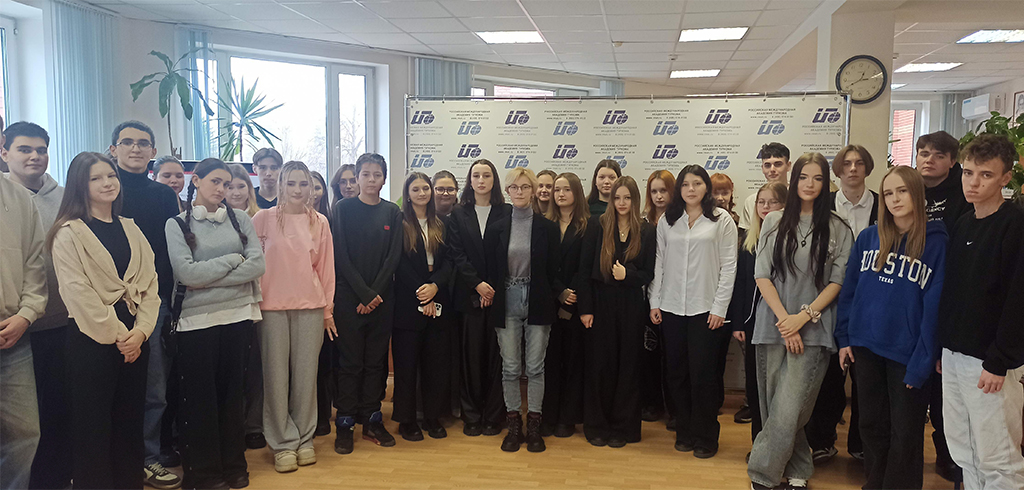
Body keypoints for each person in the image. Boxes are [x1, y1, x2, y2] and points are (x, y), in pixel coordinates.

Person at [49, 152, 160, 489]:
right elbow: (77, 293)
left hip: (136, 339)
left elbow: (150, 285)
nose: (107, 183)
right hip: (92, 340)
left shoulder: (131, 228)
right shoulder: (68, 233)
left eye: (111, 176)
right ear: (79, 185)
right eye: (96, 178)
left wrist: (141, 332)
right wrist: (120, 335)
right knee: (93, 428)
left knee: (129, 423)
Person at [835, 165, 946, 490]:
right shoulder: (869, 238)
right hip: (866, 347)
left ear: (918, 194)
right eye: (888, 193)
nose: (895, 199)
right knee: (871, 425)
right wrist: (845, 338)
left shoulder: (937, 243)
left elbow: (935, 309)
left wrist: (923, 361)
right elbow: (850, 291)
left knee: (906, 432)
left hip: (907, 353)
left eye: (902, 191)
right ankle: (875, 483)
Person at [747, 152, 853, 490]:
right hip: (773, 324)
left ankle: (762, 473)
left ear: (826, 183)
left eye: (818, 178)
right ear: (793, 181)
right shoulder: (774, 221)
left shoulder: (839, 227)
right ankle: (799, 468)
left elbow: (837, 282)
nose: (810, 184)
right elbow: (762, 275)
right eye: (804, 177)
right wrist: (785, 321)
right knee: (773, 405)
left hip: (814, 328)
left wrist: (802, 318)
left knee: (791, 406)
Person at [165, 158, 265, 489]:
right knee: (200, 400)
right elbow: (187, 274)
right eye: (215, 182)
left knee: (232, 396)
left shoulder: (239, 219)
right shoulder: (176, 224)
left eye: (227, 183)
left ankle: (234, 466)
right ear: (196, 181)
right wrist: (232, 260)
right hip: (196, 322)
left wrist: (209, 277)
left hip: (239, 316)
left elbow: (258, 265)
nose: (222, 189)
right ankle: (203, 473)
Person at [938, 134, 1024, 490]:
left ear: (1006, 178)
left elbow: (1018, 300)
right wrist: (944, 347)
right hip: (954, 355)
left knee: (998, 456)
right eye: (968, 173)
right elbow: (955, 293)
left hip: (990, 362)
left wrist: (999, 360)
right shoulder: (963, 223)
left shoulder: (1015, 225)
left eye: (986, 175)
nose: (973, 183)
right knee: (963, 449)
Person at [108, 120, 183, 489]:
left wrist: (163, 301)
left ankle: (148, 459)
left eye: (142, 143)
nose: (135, 148)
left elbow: (168, 253)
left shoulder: (164, 195)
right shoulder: (105, 190)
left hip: (153, 305)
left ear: (153, 151)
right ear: (113, 150)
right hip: (105, 306)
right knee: (109, 388)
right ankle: (113, 462)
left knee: (154, 390)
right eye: (127, 142)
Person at [251, 160, 335, 473]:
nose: (298, 190)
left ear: (311, 188)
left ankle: (304, 438)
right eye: (291, 183)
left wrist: (327, 310)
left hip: (310, 307)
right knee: (275, 378)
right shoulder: (262, 219)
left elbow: (326, 269)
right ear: (281, 185)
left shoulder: (320, 222)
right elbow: (252, 265)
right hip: (270, 308)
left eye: (304, 184)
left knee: (306, 377)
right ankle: (282, 443)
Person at [649, 165, 738, 458]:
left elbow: (729, 267)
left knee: (704, 376)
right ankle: (684, 431)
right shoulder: (668, 220)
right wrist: (654, 301)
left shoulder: (721, 219)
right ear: (679, 189)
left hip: (706, 310)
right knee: (676, 374)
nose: (691, 189)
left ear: (706, 188)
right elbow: (659, 263)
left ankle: (706, 436)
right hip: (671, 307)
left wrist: (720, 307)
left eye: (697, 183)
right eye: (686, 184)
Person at [2, 122, 71, 490]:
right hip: (22, 329)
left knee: (32, 429)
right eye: (24, 149)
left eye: (41, 150)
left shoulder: (33, 199)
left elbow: (34, 265)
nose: (34, 156)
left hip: (31, 329)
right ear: (6, 152)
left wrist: (27, 314)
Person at [806, 144, 879, 464]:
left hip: (871, 300)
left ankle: (861, 445)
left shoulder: (881, 205)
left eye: (859, 163)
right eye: (846, 163)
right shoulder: (825, 205)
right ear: (836, 171)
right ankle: (822, 440)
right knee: (828, 374)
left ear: (867, 168)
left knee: (866, 375)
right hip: (829, 298)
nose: (852, 169)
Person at [483, 168, 559, 453]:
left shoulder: (547, 228)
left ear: (534, 190)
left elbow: (553, 270)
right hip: (507, 298)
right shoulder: (497, 228)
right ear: (507, 191)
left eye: (525, 187)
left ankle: (535, 425)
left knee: (536, 366)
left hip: (538, 298)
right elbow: (491, 268)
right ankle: (514, 424)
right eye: (514, 187)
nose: (519, 192)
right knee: (511, 367)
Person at [330, 153, 402, 454]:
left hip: (382, 300)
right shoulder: (343, 209)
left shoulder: (392, 212)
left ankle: (373, 420)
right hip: (349, 300)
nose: (371, 180)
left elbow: (393, 257)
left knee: (375, 363)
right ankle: (345, 424)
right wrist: (363, 294)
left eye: (377, 174)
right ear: (357, 177)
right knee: (350, 363)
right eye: (366, 174)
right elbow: (340, 255)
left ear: (384, 178)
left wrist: (373, 296)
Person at [578, 176, 657, 447]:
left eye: (627, 198)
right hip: (600, 304)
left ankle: (624, 428)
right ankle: (597, 426)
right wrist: (585, 309)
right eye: (617, 198)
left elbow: (649, 273)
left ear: (635, 200)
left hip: (631, 305)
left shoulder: (646, 230)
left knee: (628, 367)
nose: (622, 203)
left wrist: (629, 275)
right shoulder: (596, 225)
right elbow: (583, 271)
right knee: (600, 366)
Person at [915, 130, 970, 482]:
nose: (929, 160)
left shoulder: (963, 193)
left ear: (952, 161)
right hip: (911, 291)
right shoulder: (909, 187)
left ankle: (947, 452)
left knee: (942, 383)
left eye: (937, 155)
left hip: (949, 294)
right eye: (923, 153)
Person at [448, 158, 510, 437]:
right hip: (469, 296)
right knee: (471, 358)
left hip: (499, 295)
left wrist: (491, 288)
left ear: (494, 180)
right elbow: (457, 254)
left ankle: (494, 415)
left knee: (498, 358)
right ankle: (472, 414)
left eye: (486, 175)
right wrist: (477, 285)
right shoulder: (458, 213)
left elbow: (508, 254)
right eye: (476, 175)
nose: (481, 180)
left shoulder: (507, 212)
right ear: (469, 180)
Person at [392, 172, 453, 442]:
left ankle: (432, 417)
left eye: (425, 188)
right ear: (407, 194)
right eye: (415, 189)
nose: (421, 193)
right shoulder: (400, 223)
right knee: (407, 365)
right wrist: (422, 293)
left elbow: (450, 261)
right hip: (408, 301)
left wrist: (435, 287)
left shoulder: (442, 223)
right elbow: (398, 263)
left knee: (435, 364)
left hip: (438, 297)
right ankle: (407, 421)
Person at [0, 139, 46, 490]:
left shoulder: (18, 198)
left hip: (13, 335)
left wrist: (27, 314)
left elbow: (35, 264)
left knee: (25, 432)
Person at [731, 182, 787, 445]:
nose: (766, 207)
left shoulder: (791, 239)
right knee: (756, 387)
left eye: (772, 202)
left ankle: (782, 445)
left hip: (785, 322)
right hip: (753, 324)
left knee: (782, 389)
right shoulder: (749, 241)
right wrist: (739, 322)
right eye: (761, 202)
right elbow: (742, 284)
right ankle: (759, 445)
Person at [539, 172, 590, 439]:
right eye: (557, 189)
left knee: (572, 362)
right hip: (548, 302)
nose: (560, 194)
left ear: (576, 193)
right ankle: (548, 416)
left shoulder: (588, 225)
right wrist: (558, 291)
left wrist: (570, 296)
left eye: (566, 189)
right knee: (548, 362)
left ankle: (567, 418)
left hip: (576, 303)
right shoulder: (543, 224)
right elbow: (540, 264)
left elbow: (587, 266)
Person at [224, 163, 265, 452]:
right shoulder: (209, 220)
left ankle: (254, 426)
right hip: (222, 304)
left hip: (256, 302)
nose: (235, 192)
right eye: (229, 186)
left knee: (255, 369)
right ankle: (232, 426)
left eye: (241, 186)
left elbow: (259, 264)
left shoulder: (259, 219)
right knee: (230, 370)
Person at [641, 170, 675, 423]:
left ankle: (673, 407)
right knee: (648, 352)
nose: (659, 196)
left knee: (672, 355)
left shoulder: (680, 220)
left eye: (664, 190)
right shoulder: (641, 222)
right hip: (645, 296)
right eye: (654, 191)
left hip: (673, 296)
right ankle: (651, 402)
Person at [740, 142, 791, 230]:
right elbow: (746, 235)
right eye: (767, 165)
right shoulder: (751, 201)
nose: (772, 169)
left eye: (778, 164)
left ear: (788, 166)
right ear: (762, 168)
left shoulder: (798, 197)